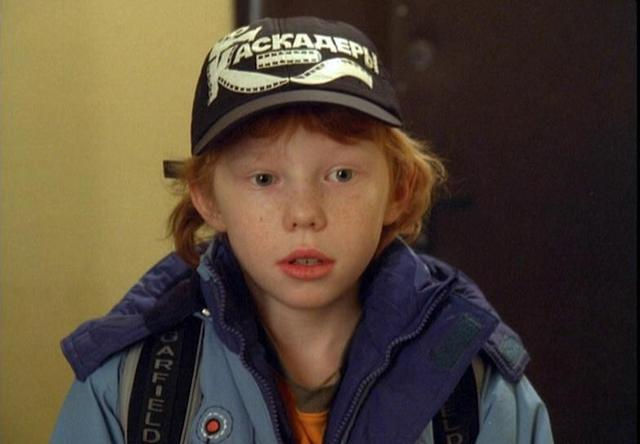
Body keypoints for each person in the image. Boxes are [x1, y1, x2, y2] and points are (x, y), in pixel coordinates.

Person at [51, 16, 553, 444]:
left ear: (399, 190)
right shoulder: (127, 387)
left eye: (342, 174)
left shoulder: (475, 386)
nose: (305, 213)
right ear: (208, 200)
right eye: (264, 179)